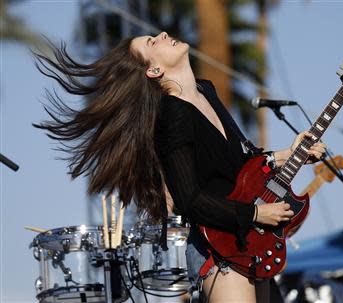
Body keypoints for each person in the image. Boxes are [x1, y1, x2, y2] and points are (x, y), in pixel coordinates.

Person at [32, 32, 326, 302]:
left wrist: (289, 154)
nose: (161, 34)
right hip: (219, 251)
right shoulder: (172, 114)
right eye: (151, 42)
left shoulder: (205, 90)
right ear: (154, 70)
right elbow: (189, 200)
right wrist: (256, 213)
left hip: (248, 246)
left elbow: (238, 163)